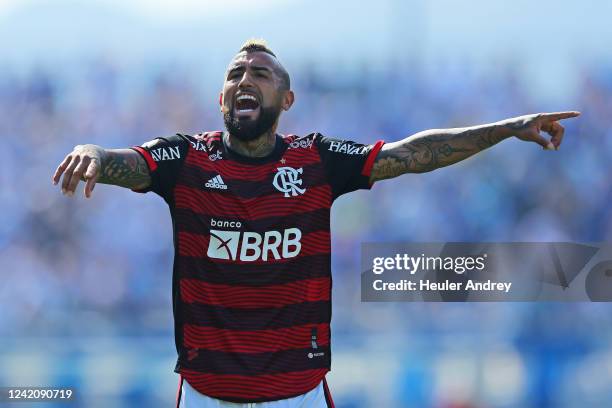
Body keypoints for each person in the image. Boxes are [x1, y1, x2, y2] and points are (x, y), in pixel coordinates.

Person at [52, 39, 580, 407]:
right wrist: (90, 152)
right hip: (205, 393)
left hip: (297, 393)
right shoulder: (186, 159)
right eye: (235, 73)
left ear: (286, 99)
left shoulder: (317, 160)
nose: (245, 79)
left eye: (260, 73)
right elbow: (126, 159)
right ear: (220, 98)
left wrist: (509, 128)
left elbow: (415, 153)